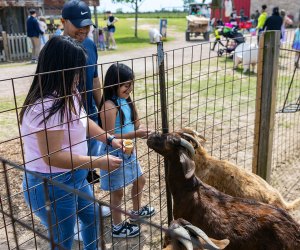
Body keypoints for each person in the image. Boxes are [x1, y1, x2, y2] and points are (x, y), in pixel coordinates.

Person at [20, 35, 123, 250]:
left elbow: (84, 121)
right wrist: (97, 161)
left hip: (75, 177)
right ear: (62, 68)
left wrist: (110, 139)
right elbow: (53, 157)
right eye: (77, 69)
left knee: (92, 218)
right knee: (63, 238)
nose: (81, 75)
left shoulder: (70, 93)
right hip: (52, 183)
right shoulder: (46, 106)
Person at [61, 0, 112, 238]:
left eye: (87, 26)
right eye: (77, 26)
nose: (82, 31)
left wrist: (101, 108)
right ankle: (74, 216)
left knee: (87, 164)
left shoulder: (90, 44)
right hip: (66, 120)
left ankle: (86, 207)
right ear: (63, 22)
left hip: (89, 114)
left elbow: (93, 79)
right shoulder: (56, 48)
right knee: (72, 166)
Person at [99, 63, 155, 238]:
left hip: (128, 150)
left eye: (131, 84)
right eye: (125, 85)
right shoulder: (109, 106)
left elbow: (137, 123)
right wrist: (136, 134)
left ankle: (136, 211)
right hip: (114, 151)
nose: (129, 89)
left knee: (140, 180)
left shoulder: (127, 101)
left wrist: (144, 130)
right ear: (113, 84)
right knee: (117, 191)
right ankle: (117, 227)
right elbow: (110, 136)